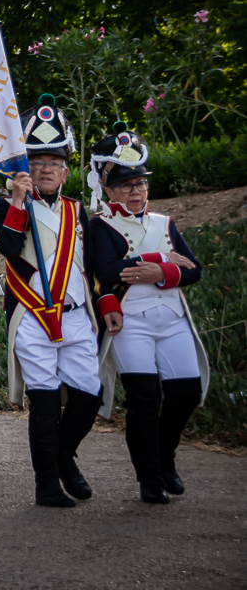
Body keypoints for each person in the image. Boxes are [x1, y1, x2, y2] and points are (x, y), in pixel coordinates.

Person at [0, 93, 111, 509]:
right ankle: (46, 486)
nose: (46, 168)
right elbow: (7, 248)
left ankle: (63, 457)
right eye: (38, 161)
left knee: (88, 396)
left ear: (65, 170)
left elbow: (96, 268)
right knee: (43, 401)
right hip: (31, 315)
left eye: (55, 162)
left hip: (76, 318)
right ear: (25, 165)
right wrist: (18, 201)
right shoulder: (8, 207)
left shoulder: (80, 213)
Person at [88, 122, 208, 504]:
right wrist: (157, 259)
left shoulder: (164, 223)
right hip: (130, 320)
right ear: (108, 189)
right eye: (126, 185)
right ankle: (150, 477)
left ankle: (165, 456)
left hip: (171, 319)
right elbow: (106, 272)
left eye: (140, 183)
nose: (136, 191)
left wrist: (162, 273)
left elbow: (194, 270)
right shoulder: (100, 225)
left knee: (186, 393)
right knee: (143, 399)